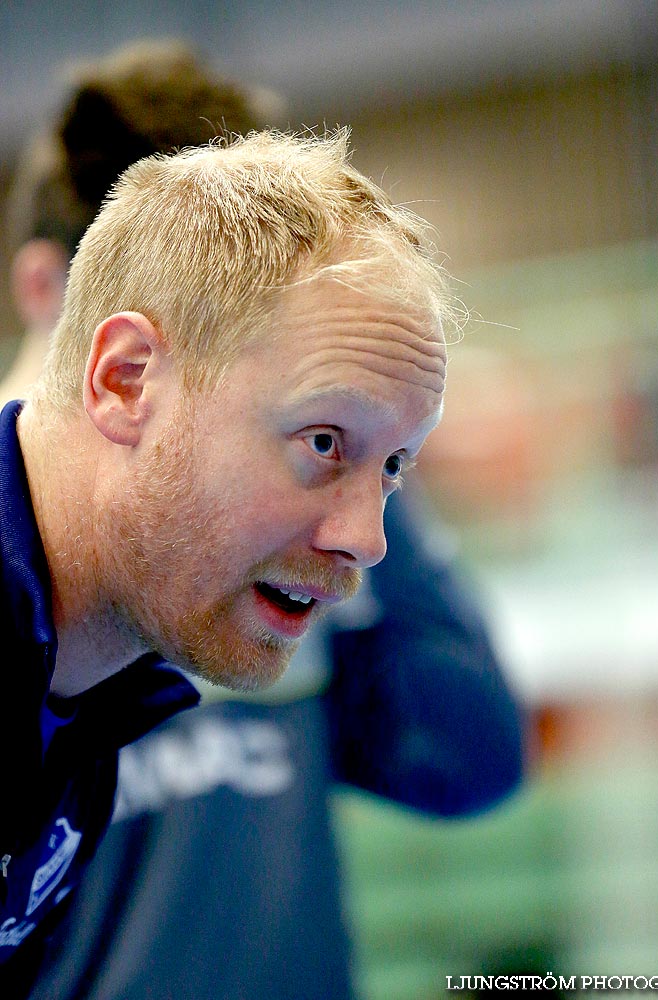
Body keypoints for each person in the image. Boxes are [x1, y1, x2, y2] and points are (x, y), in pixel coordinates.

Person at [3, 43, 524, 999]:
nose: (364, 537)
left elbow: (469, 756)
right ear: (119, 367)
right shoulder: (110, 601)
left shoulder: (124, 673)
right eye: (318, 435)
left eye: (393, 467)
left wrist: (352, 437)